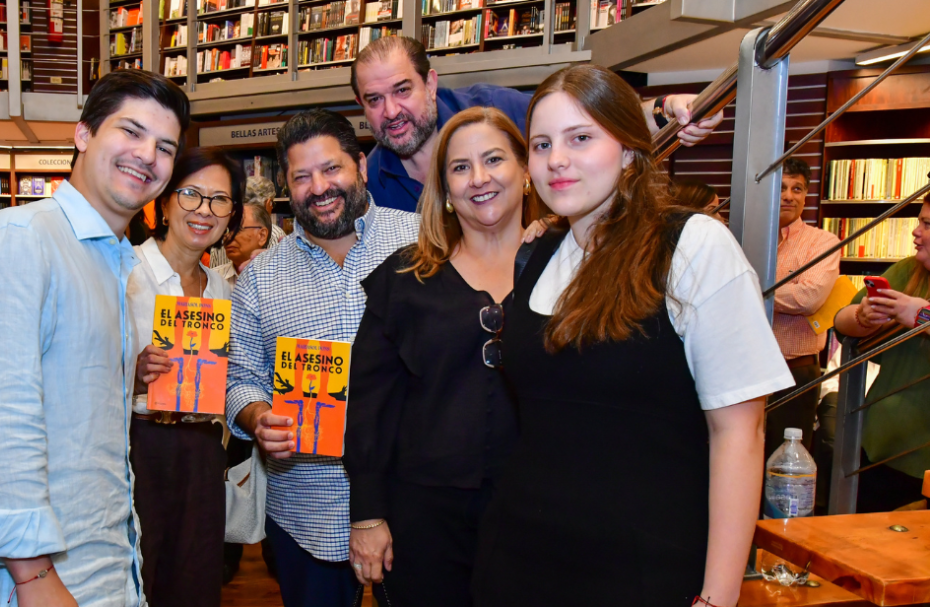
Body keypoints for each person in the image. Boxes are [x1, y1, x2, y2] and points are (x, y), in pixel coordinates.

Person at [473, 64, 794, 607]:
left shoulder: (693, 246)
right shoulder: (541, 252)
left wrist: (718, 597)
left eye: (581, 138)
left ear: (628, 150)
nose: (557, 160)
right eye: (542, 144)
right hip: (522, 558)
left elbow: (740, 433)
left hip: (645, 569)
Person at [0, 70, 189, 607]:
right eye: (130, 131)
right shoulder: (17, 240)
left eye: (165, 147)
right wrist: (35, 578)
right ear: (83, 135)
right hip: (24, 583)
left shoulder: (113, 264)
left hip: (100, 562)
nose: (147, 154)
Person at [344, 107, 540, 606]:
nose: (479, 179)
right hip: (425, 521)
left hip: (540, 516)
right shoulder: (405, 278)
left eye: (494, 159)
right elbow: (369, 408)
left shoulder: (567, 266)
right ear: (445, 189)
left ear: (526, 171)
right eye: (459, 167)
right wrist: (367, 515)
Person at [225, 108, 421, 607]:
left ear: (359, 164)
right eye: (302, 176)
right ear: (285, 187)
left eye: (331, 168)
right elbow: (239, 375)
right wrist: (258, 416)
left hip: (418, 503)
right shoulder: (259, 277)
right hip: (306, 510)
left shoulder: (422, 241)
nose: (319, 187)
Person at [350, 35, 724, 212]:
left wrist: (664, 109)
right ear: (361, 106)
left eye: (403, 90)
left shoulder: (491, 109)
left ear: (430, 83)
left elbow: (585, 116)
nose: (392, 110)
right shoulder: (369, 187)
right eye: (375, 100)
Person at [127, 147, 245, 607]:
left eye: (219, 200)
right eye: (192, 195)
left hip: (201, 450)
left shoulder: (224, 289)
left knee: (194, 581)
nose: (204, 210)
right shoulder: (126, 271)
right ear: (164, 201)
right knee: (137, 576)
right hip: (137, 448)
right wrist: (131, 371)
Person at [833, 194, 930, 513]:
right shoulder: (909, 270)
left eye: (928, 224)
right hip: (877, 447)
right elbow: (841, 322)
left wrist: (921, 315)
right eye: (919, 222)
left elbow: (919, 315)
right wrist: (864, 316)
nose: (916, 232)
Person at [767, 157, 841, 455]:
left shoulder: (822, 243)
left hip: (794, 372)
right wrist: (782, 289)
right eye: (782, 187)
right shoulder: (747, 237)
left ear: (805, 195)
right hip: (743, 369)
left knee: (786, 463)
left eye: (797, 189)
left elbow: (808, 298)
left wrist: (749, 287)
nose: (788, 195)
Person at [209, 175, 285, 267]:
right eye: (273, 203)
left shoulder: (221, 233)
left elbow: (213, 277)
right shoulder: (274, 233)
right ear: (268, 203)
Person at [214, 203, 272, 288]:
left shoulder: (280, 281)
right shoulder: (210, 280)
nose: (228, 236)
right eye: (226, 230)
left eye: (238, 229)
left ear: (262, 236)